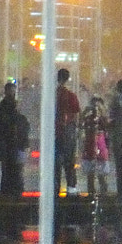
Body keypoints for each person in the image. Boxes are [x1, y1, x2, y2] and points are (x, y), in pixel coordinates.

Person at [0, 81, 27, 197]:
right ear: (6, 91)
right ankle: (8, 190)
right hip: (6, 141)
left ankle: (14, 189)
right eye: (10, 91)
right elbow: (3, 123)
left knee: (15, 167)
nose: (12, 93)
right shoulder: (3, 107)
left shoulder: (12, 105)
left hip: (15, 142)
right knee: (8, 167)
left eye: (13, 91)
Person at [54, 68, 81, 196]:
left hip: (54, 134)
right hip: (67, 134)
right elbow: (76, 114)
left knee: (55, 163)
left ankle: (55, 188)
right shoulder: (71, 95)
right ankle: (71, 189)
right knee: (69, 163)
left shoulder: (52, 94)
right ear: (68, 78)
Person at [81, 96, 110, 197]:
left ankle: (103, 194)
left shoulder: (102, 120)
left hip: (100, 146)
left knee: (101, 175)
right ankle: (91, 194)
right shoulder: (88, 119)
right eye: (93, 106)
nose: (95, 109)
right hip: (90, 147)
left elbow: (107, 126)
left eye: (98, 106)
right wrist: (85, 112)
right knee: (90, 175)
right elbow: (80, 123)